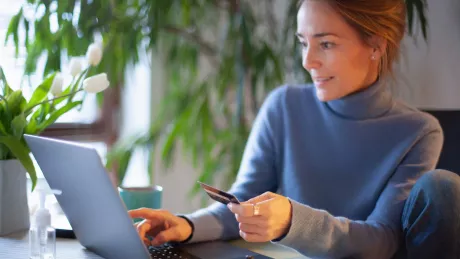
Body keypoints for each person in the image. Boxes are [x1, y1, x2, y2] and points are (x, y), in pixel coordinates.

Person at [128, 1, 460, 258]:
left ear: (376, 45)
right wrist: (185, 225)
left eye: (326, 44)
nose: (308, 61)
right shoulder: (283, 106)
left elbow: (381, 240)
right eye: (303, 43)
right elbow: (239, 205)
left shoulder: (418, 132)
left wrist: (292, 221)